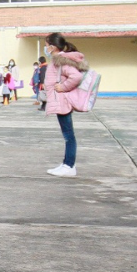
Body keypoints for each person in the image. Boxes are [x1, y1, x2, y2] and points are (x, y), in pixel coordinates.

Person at [43, 33, 87, 177]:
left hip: (63, 102)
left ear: (52, 47)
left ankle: (69, 166)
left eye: (46, 45)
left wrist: (63, 87)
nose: (45, 48)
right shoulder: (58, 59)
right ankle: (66, 164)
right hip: (60, 102)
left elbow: (77, 76)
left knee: (69, 136)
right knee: (67, 135)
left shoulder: (60, 60)